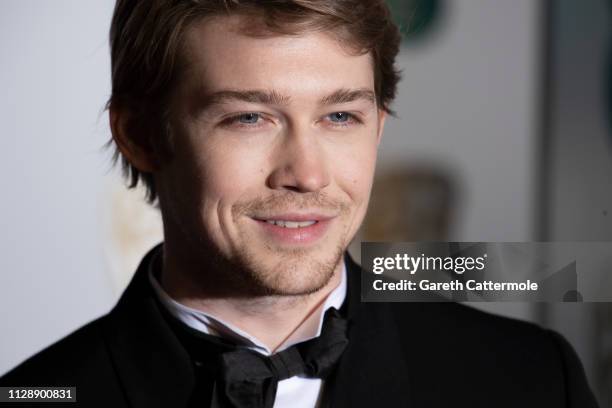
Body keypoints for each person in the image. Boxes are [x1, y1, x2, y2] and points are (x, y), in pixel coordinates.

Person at [0, 1, 600, 407]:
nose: (307, 174)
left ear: (379, 126)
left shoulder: (533, 380)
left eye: (340, 116)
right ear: (140, 135)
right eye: (249, 117)